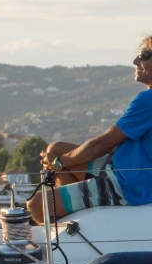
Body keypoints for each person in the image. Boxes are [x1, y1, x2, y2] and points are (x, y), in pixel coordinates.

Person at [30, 36, 152, 223]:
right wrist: (60, 158)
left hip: (132, 186)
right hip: (125, 170)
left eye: (143, 55)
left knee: (37, 206)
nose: (135, 61)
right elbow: (121, 145)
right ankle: (78, 218)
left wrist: (59, 163)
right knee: (55, 148)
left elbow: (103, 144)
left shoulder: (147, 100)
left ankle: (78, 227)